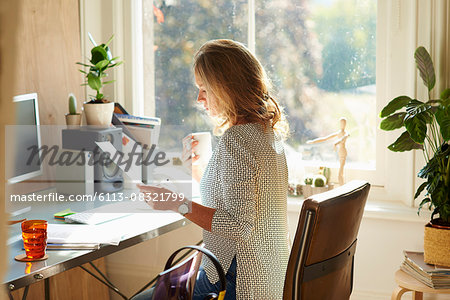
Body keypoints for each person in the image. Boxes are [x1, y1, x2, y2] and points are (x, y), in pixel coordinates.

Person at [136, 39, 290, 300]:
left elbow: (239, 226)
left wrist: (175, 203)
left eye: (204, 89)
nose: (199, 99)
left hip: (239, 282)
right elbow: (245, 199)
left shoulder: (237, 140)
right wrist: (200, 171)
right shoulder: (267, 133)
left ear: (226, 88)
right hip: (268, 277)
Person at [306, 117, 349, 185]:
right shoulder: (338, 133)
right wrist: (313, 141)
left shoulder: (346, 133)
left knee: (340, 173)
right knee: (340, 173)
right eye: (341, 123)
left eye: (344, 123)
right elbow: (325, 138)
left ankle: (342, 187)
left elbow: (342, 139)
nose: (342, 125)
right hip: (339, 152)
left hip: (343, 152)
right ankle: (342, 187)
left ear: (345, 124)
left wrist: (336, 143)